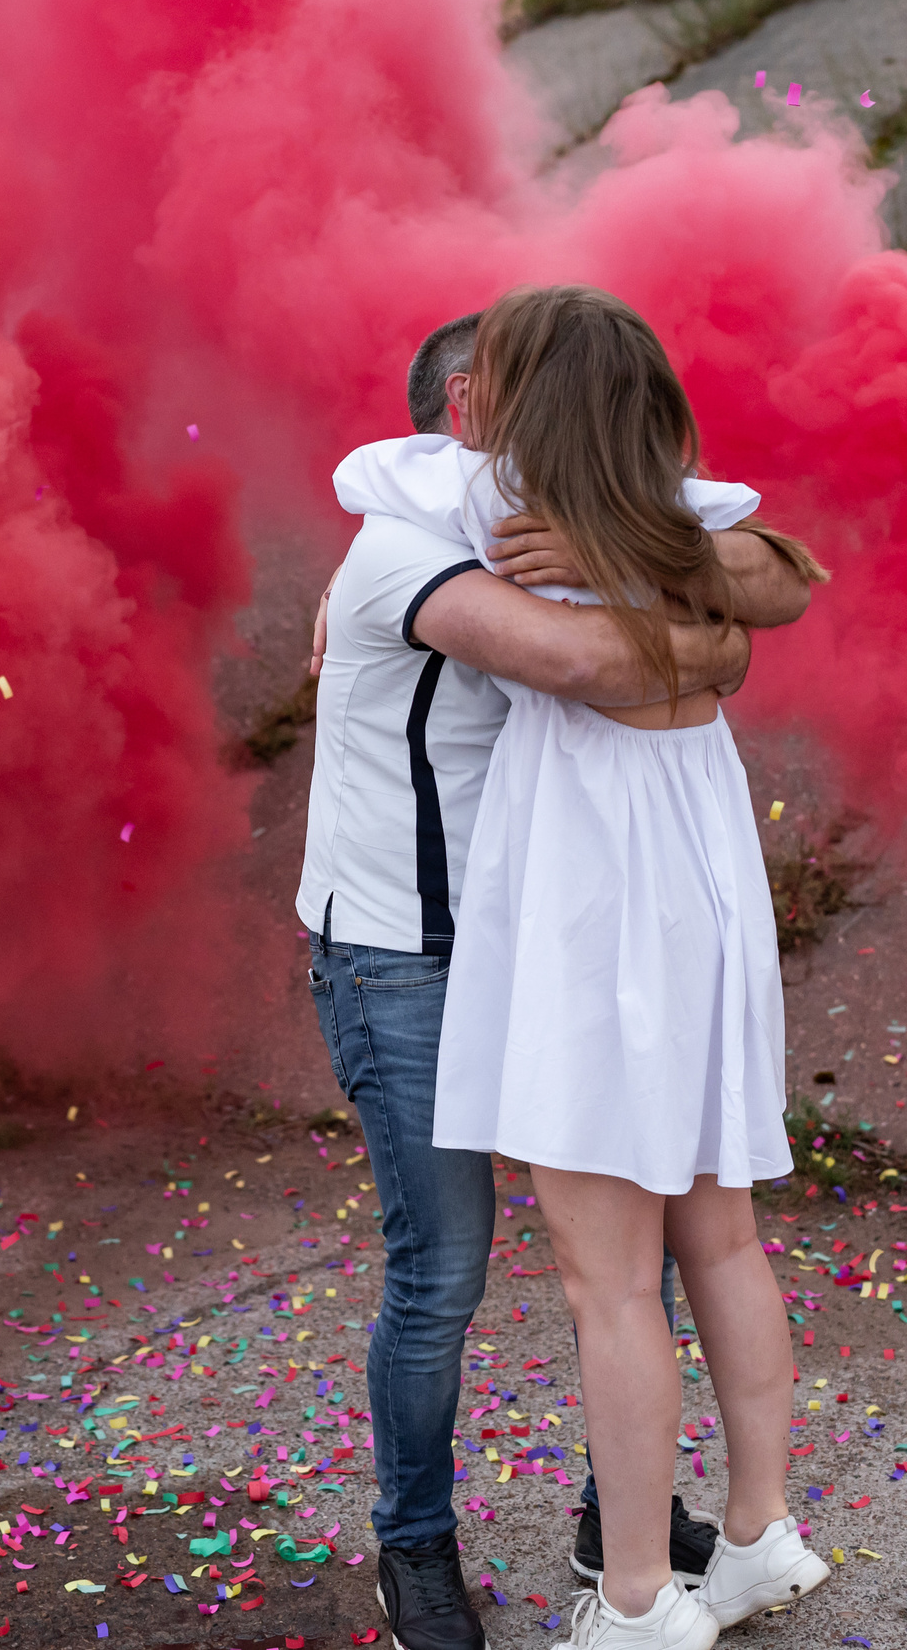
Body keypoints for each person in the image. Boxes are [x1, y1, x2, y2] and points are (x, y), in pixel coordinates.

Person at [299, 309, 813, 1650]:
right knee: (448, 1271)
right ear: (464, 411)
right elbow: (587, 658)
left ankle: (627, 1550)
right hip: (413, 948)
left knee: (627, 1269)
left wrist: (654, 571)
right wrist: (710, 643)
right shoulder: (407, 538)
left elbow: (770, 568)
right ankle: (417, 1545)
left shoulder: (566, 514)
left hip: (571, 935)